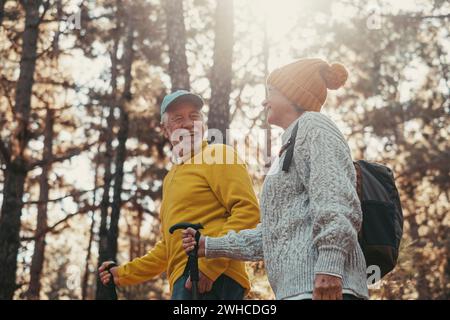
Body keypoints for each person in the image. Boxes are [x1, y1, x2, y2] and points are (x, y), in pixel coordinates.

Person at [182, 59, 369, 300]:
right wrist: (209, 245)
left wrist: (330, 267)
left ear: (293, 94)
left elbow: (335, 197)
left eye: (270, 92)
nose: (264, 101)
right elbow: (273, 234)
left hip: (326, 288)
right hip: (298, 291)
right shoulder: (288, 146)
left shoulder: (315, 126)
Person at [99, 90, 260, 300]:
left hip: (215, 279)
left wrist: (209, 268)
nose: (187, 124)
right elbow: (168, 245)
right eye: (178, 118)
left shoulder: (218, 154)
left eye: (194, 116)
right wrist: (121, 274)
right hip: (183, 280)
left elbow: (247, 211)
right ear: (165, 131)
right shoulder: (171, 178)